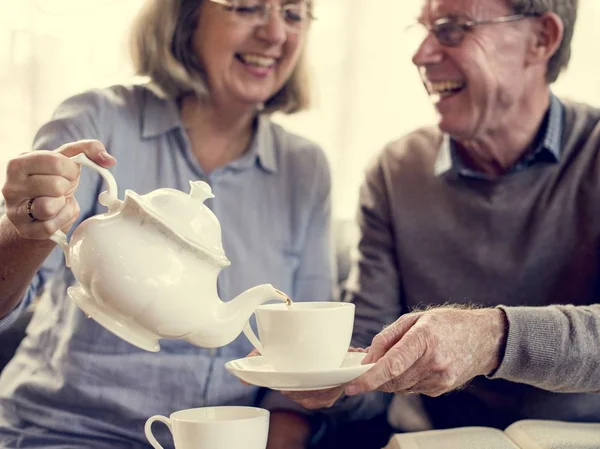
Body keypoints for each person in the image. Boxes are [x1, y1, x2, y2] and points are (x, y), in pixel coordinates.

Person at [0, 0, 334, 448]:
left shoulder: (304, 170)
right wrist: (24, 228)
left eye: (293, 14)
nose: (275, 34)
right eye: (247, 6)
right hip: (64, 432)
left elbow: (304, 362)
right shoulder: (100, 121)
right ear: (186, 14)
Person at [287, 0, 600, 435]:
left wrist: (492, 337)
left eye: (452, 28)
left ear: (541, 39)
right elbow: (370, 349)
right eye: (425, 29)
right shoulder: (395, 172)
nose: (422, 54)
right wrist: (331, 382)